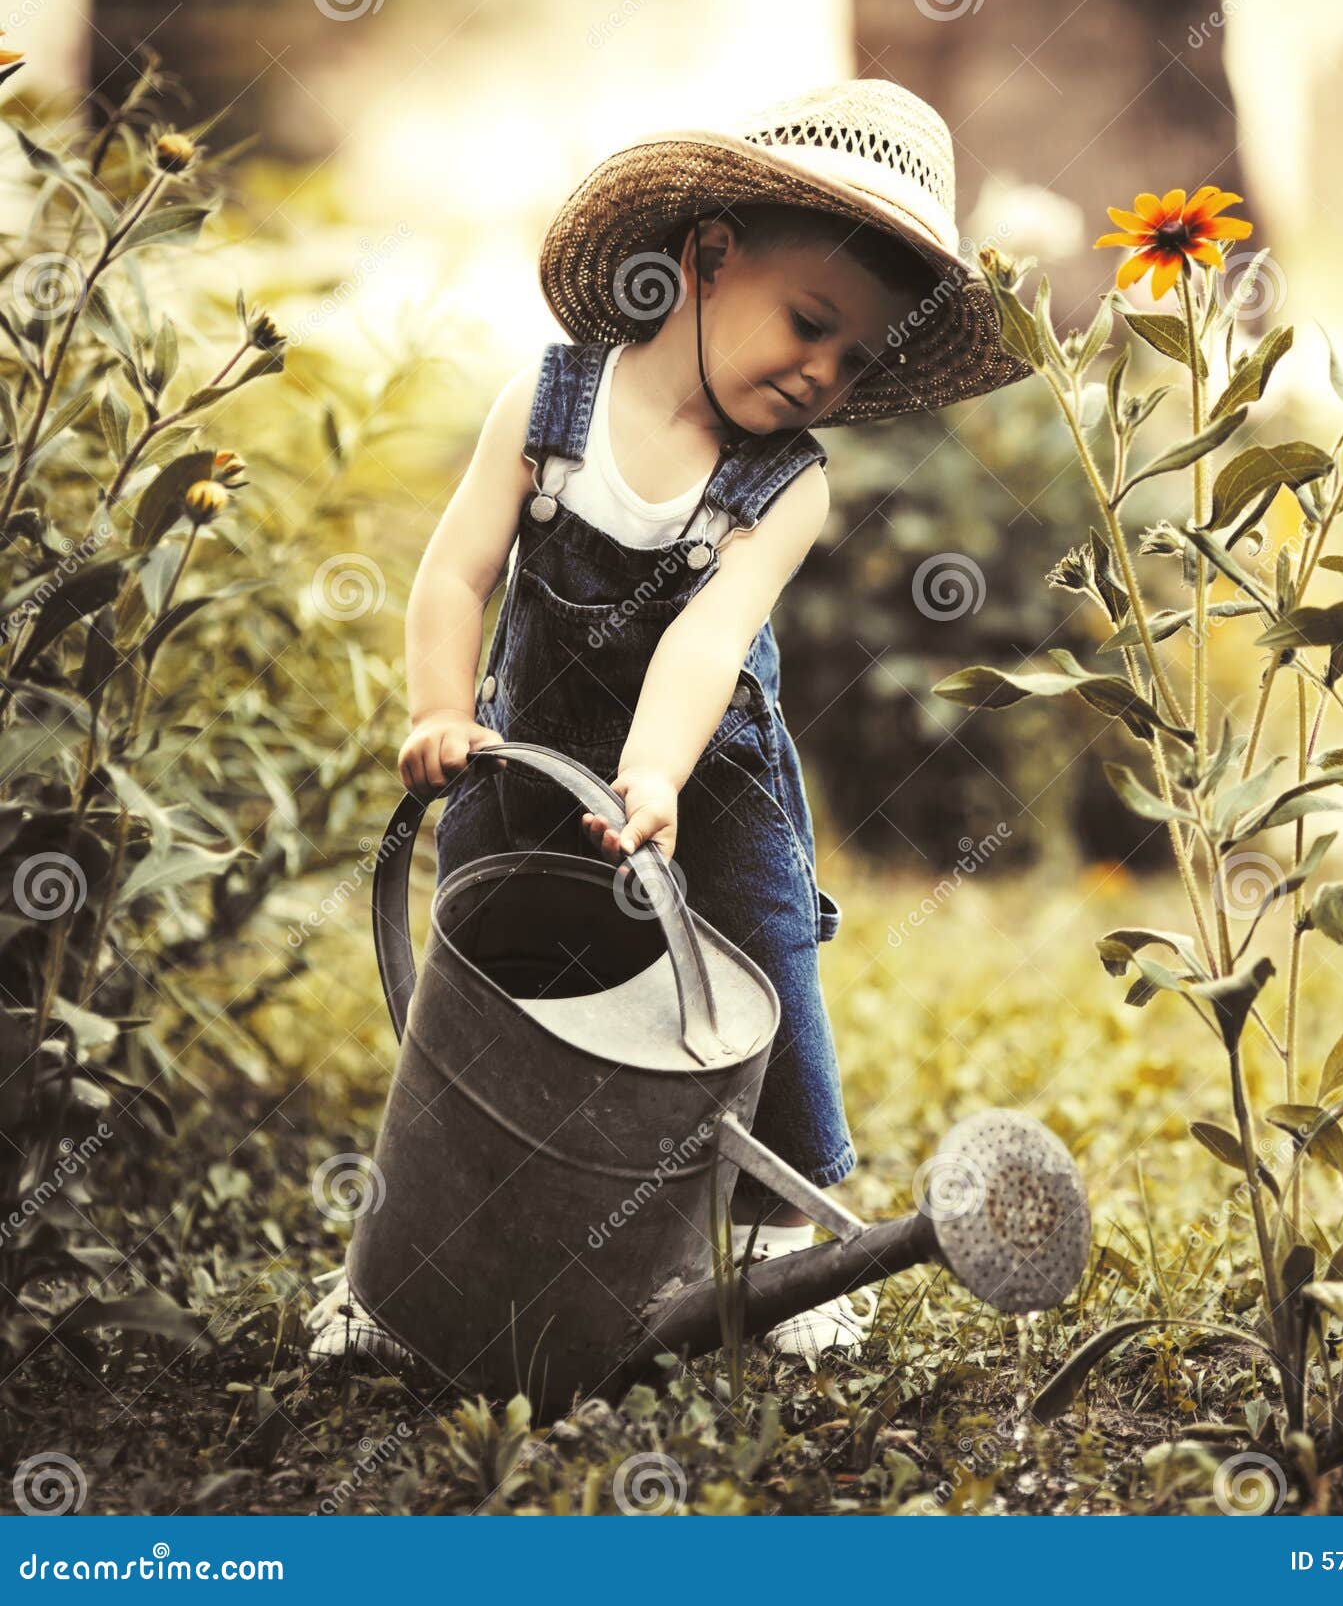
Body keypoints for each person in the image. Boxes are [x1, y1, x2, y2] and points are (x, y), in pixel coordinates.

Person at [305, 77, 1029, 1376]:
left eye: (855, 359)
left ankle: (786, 1245)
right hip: (521, 755)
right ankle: (402, 1262)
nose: (822, 371)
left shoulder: (785, 482)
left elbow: (707, 635)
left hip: (714, 775)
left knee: (763, 986)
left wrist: (654, 774)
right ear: (706, 257)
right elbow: (454, 572)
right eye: (809, 324)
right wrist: (435, 708)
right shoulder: (552, 406)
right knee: (477, 995)